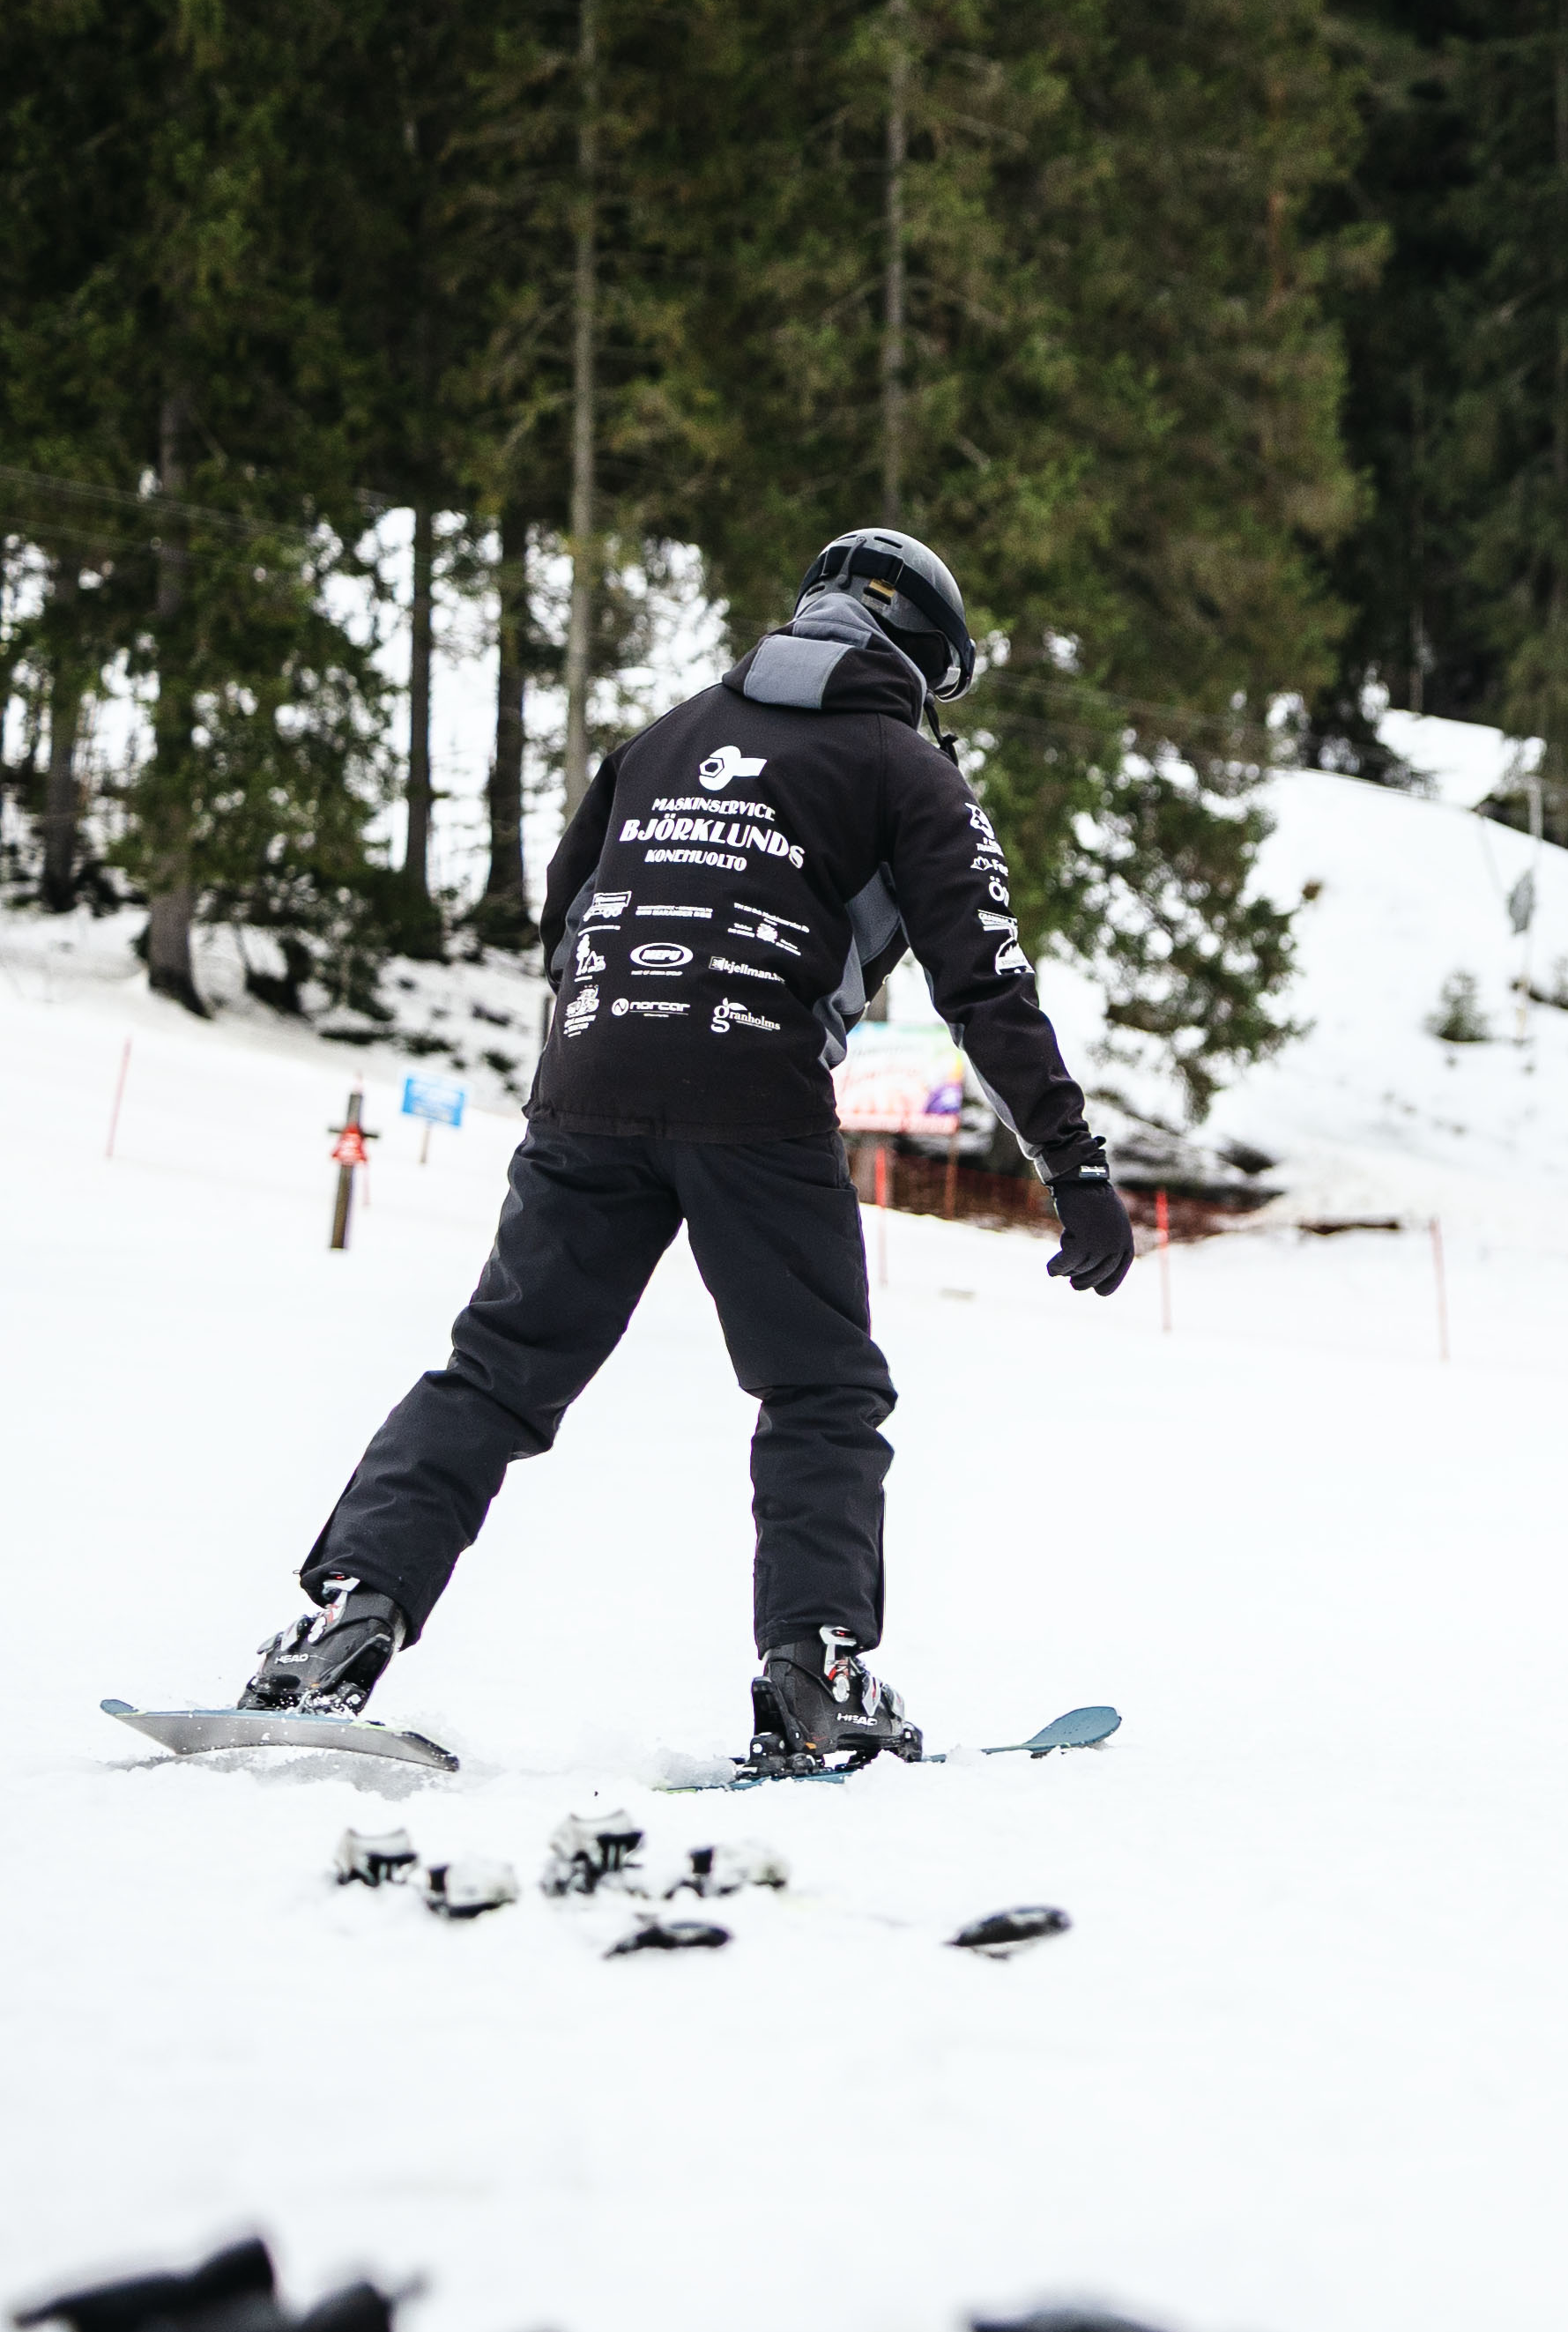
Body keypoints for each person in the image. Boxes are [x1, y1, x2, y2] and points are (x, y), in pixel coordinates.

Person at [235, 529, 1138, 1771]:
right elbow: (986, 984)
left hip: (591, 1075)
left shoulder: (658, 736)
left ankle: (338, 1630)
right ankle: (815, 1677)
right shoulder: (907, 767)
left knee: (495, 1372)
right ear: (929, 658)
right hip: (753, 1085)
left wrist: (619, 1028)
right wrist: (1073, 1167)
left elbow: (565, 910)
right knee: (819, 1386)